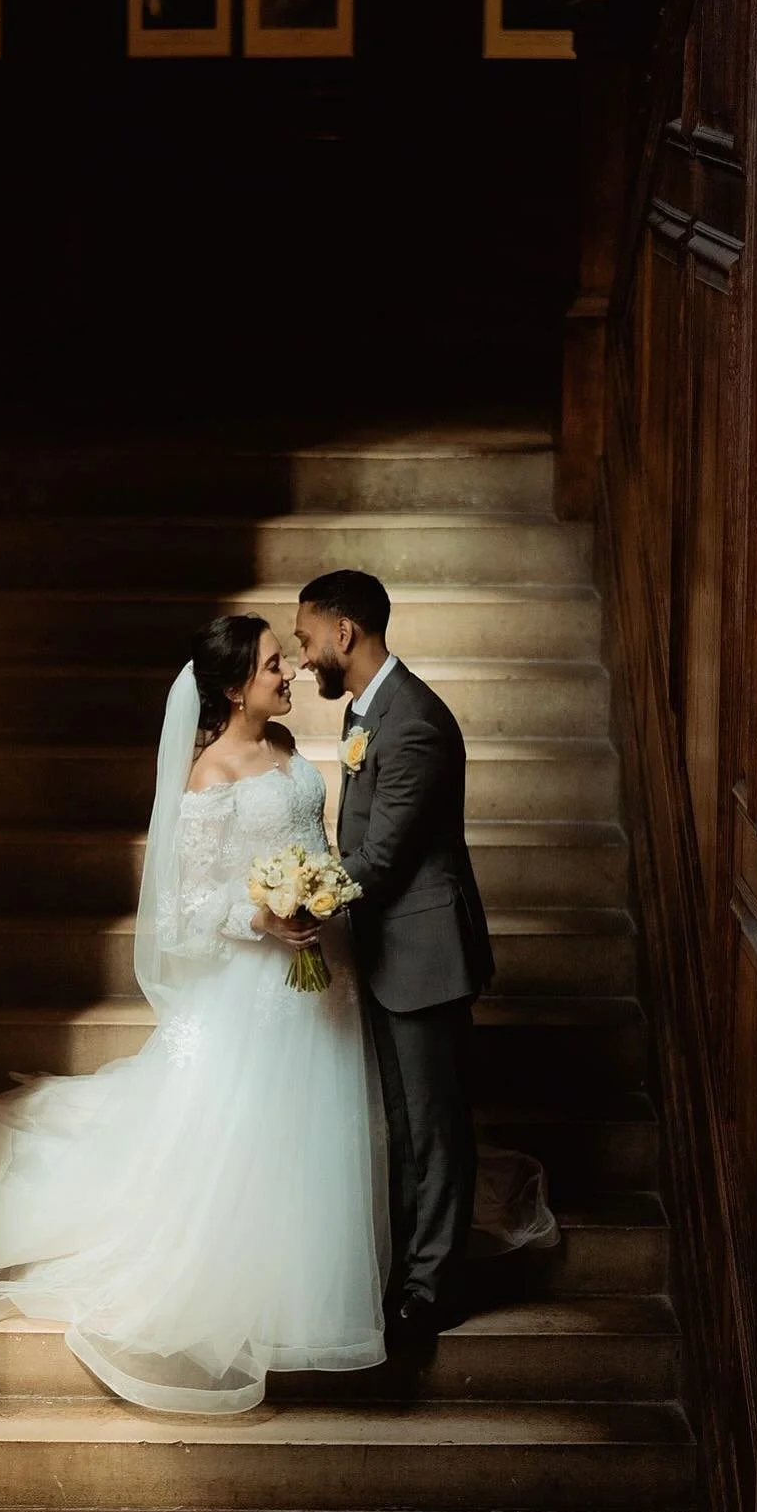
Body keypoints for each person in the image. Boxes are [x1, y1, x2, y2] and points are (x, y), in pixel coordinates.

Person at [0, 615, 388, 1414]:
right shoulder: (208, 776)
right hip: (254, 982)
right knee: (246, 1133)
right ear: (234, 688)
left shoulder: (290, 753)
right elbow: (190, 906)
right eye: (273, 665)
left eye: (285, 662)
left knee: (314, 1130)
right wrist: (264, 918)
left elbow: (311, 839)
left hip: (320, 976)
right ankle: (231, 1285)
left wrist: (323, 895)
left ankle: (308, 1291)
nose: (289, 673)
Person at [294, 569, 558, 1345]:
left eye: (307, 638)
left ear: (344, 632)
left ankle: (432, 1288)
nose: (306, 655)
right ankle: (409, 1271)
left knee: (434, 1130)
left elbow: (379, 856)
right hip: (386, 949)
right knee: (405, 1127)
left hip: (422, 953)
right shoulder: (366, 711)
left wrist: (298, 901)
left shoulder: (411, 721)